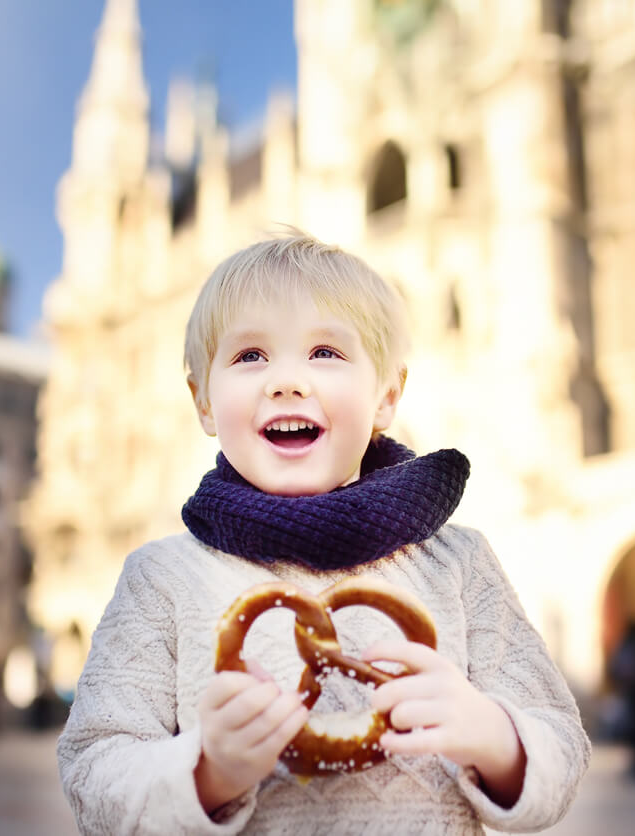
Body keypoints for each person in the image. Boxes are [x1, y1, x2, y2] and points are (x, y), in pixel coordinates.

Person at [57, 232, 591, 834]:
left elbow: (563, 745)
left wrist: (496, 736)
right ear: (203, 401)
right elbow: (92, 769)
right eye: (250, 356)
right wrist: (207, 771)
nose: (287, 381)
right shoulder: (162, 579)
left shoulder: (458, 562)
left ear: (386, 397)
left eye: (326, 354)